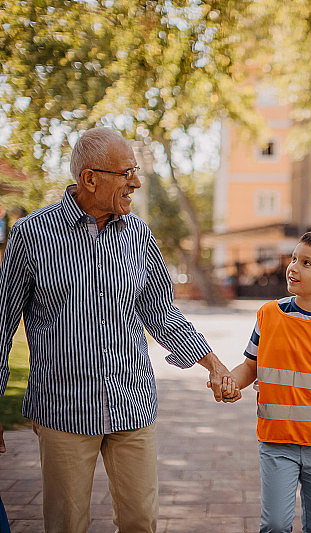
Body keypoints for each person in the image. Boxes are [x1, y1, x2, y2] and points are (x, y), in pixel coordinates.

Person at [0, 127, 234, 533]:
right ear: (90, 179)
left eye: (136, 171)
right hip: (62, 409)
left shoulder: (139, 235)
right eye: (126, 173)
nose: (136, 183)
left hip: (132, 405)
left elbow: (161, 311)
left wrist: (212, 362)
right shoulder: (30, 236)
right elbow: (2, 326)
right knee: (66, 525)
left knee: (141, 522)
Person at [223, 230, 311, 533]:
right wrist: (231, 381)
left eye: (307, 263)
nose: (294, 267)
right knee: (274, 524)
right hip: (276, 443)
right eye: (294, 258)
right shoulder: (268, 316)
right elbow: (250, 367)